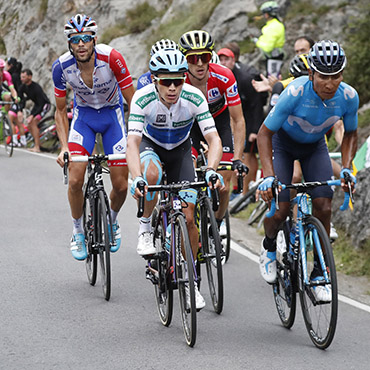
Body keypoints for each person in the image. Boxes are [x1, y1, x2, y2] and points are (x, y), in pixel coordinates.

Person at [256, 40, 358, 302]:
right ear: (311, 73)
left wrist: (346, 168)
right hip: (283, 145)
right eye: (323, 76)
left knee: (324, 205)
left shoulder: (348, 97)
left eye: (336, 76)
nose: (330, 82)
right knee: (280, 210)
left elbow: (350, 134)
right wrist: (268, 176)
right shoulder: (295, 93)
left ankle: (319, 272)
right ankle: (268, 247)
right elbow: (264, 135)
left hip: (315, 148)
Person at [126, 48, 223, 309]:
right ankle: (145, 226)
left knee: (189, 217)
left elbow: (213, 139)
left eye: (177, 81)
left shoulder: (194, 97)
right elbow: (133, 142)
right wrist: (136, 178)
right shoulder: (143, 98)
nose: (172, 88)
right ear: (155, 80)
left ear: (184, 79)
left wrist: (212, 168)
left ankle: (191, 284)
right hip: (152, 146)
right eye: (165, 81)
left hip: (180, 151)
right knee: (151, 174)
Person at [52, 13, 135, 260]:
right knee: (76, 180)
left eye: (86, 39)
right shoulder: (61, 67)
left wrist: (138, 139)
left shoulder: (112, 58)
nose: (81, 44)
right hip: (84, 120)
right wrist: (64, 147)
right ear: (69, 43)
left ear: (94, 40)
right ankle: (77, 231)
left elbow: (133, 101)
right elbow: (59, 110)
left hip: (113, 118)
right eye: (75, 39)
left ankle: (111, 220)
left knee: (120, 186)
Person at [178, 30, 248, 230]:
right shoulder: (180, 80)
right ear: (185, 60)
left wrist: (237, 157)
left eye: (205, 57)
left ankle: (217, 223)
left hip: (219, 123)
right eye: (193, 58)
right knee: (188, 175)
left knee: (224, 182)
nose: (199, 63)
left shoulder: (224, 75)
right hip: (191, 126)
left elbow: (238, 119)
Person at [217, 46, 267, 199]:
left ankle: (245, 191)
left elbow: (257, 104)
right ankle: (235, 189)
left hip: (251, 115)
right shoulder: (219, 75)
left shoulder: (245, 78)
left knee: (248, 153)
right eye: (221, 59)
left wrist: (254, 130)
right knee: (231, 153)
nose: (223, 62)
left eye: (227, 59)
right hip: (234, 114)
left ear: (234, 60)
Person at [19, 68, 51, 152]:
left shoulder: (36, 88)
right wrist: (20, 110)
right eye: (21, 77)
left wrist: (32, 115)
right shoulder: (23, 86)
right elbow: (21, 99)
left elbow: (41, 104)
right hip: (37, 105)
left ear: (30, 77)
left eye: (24, 77)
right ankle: (38, 144)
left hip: (44, 105)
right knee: (29, 125)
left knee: (33, 122)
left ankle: (37, 147)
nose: (22, 79)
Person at [252, 1, 285, 77]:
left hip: (273, 58)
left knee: (272, 80)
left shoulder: (271, 27)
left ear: (267, 14)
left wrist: (257, 41)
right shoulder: (278, 24)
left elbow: (267, 48)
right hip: (276, 57)